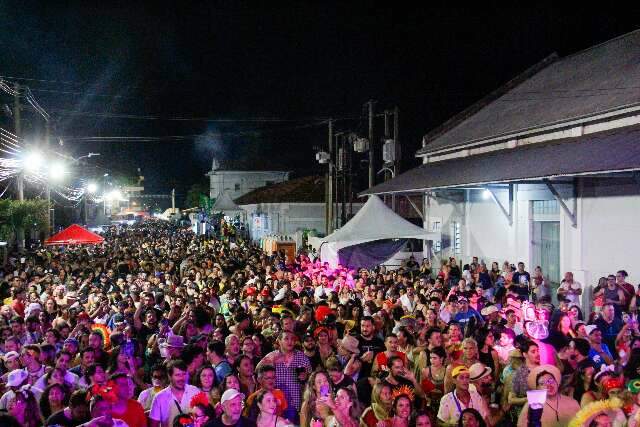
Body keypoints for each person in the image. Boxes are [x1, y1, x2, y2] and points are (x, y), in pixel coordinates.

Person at [257, 331, 311, 423]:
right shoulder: (273, 355)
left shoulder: (301, 357)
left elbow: (311, 377)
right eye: (286, 339)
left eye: (292, 339)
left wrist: (306, 376)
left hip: (297, 405)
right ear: (279, 341)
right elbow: (257, 370)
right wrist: (272, 361)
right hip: (276, 407)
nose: (290, 341)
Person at [516, 364, 580, 427]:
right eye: (542, 383)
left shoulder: (572, 402)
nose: (548, 385)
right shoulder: (533, 405)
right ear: (538, 388)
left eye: (550, 380)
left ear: (556, 381)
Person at [150, 360, 202, 427]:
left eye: (184, 374)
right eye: (177, 375)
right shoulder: (159, 398)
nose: (181, 378)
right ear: (169, 376)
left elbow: (204, 417)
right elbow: (153, 425)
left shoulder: (195, 391)